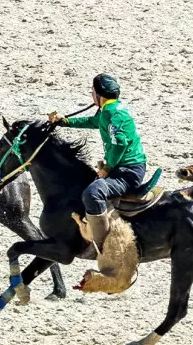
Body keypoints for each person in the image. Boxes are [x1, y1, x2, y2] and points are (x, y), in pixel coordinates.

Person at [48, 74, 147, 250]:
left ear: (99, 94)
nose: (91, 94)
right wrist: (64, 121)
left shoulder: (111, 112)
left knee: (92, 193)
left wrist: (107, 168)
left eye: (92, 91)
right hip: (124, 166)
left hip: (128, 171)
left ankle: (104, 246)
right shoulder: (109, 109)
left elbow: (120, 143)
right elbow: (93, 121)